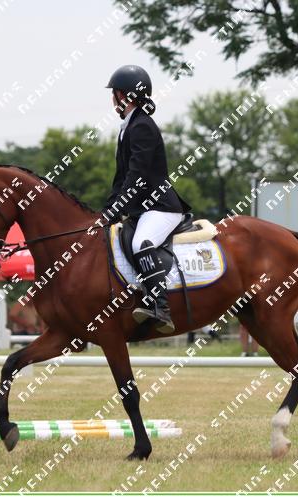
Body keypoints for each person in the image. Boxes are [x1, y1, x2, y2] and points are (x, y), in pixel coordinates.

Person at [101, 65, 192, 334]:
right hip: (144, 208)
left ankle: (160, 307)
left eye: (114, 94)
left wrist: (119, 207)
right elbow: (122, 177)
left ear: (121, 95)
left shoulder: (141, 126)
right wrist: (107, 209)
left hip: (161, 206)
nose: (112, 99)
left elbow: (137, 175)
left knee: (141, 243)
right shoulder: (128, 126)